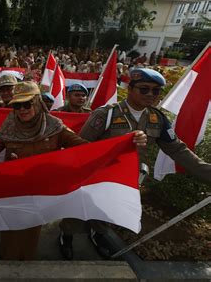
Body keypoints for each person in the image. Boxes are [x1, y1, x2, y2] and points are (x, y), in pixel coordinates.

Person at [0, 81, 146, 260]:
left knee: (31, 232)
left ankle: (25, 264)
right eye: (16, 106)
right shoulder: (8, 128)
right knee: (9, 231)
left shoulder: (56, 126)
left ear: (37, 102)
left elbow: (85, 148)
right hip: (13, 190)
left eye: (26, 104)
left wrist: (126, 142)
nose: (21, 109)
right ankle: (6, 263)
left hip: (40, 192)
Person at [58, 68, 211, 260]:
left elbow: (177, 150)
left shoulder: (157, 119)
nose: (151, 95)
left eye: (156, 91)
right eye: (144, 89)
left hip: (124, 179)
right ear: (130, 89)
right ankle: (66, 235)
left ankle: (98, 234)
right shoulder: (106, 115)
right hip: (95, 175)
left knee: (107, 210)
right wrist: (118, 147)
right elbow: (80, 148)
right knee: (78, 208)